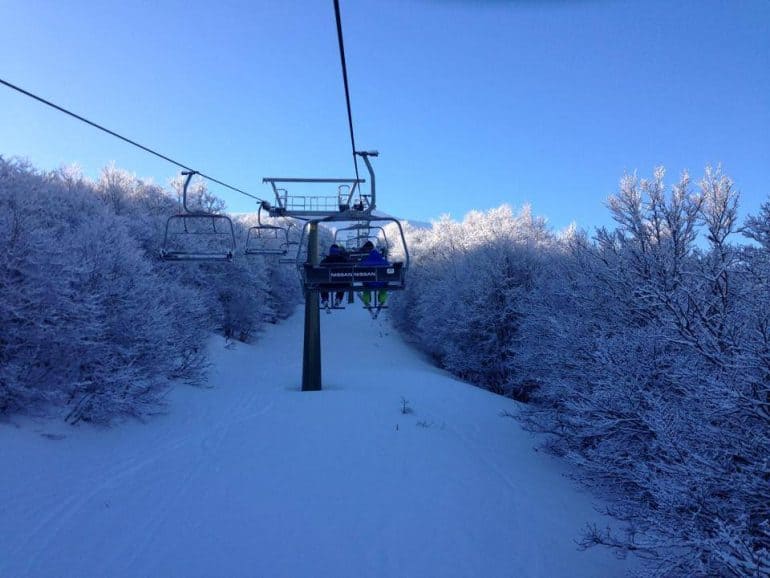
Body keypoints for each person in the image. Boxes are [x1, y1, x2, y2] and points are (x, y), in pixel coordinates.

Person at [319, 244, 347, 308]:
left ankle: (325, 298)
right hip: (340, 284)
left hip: (328, 284)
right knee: (343, 282)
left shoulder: (324, 261)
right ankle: (338, 298)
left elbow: (320, 273)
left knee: (322, 283)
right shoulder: (343, 260)